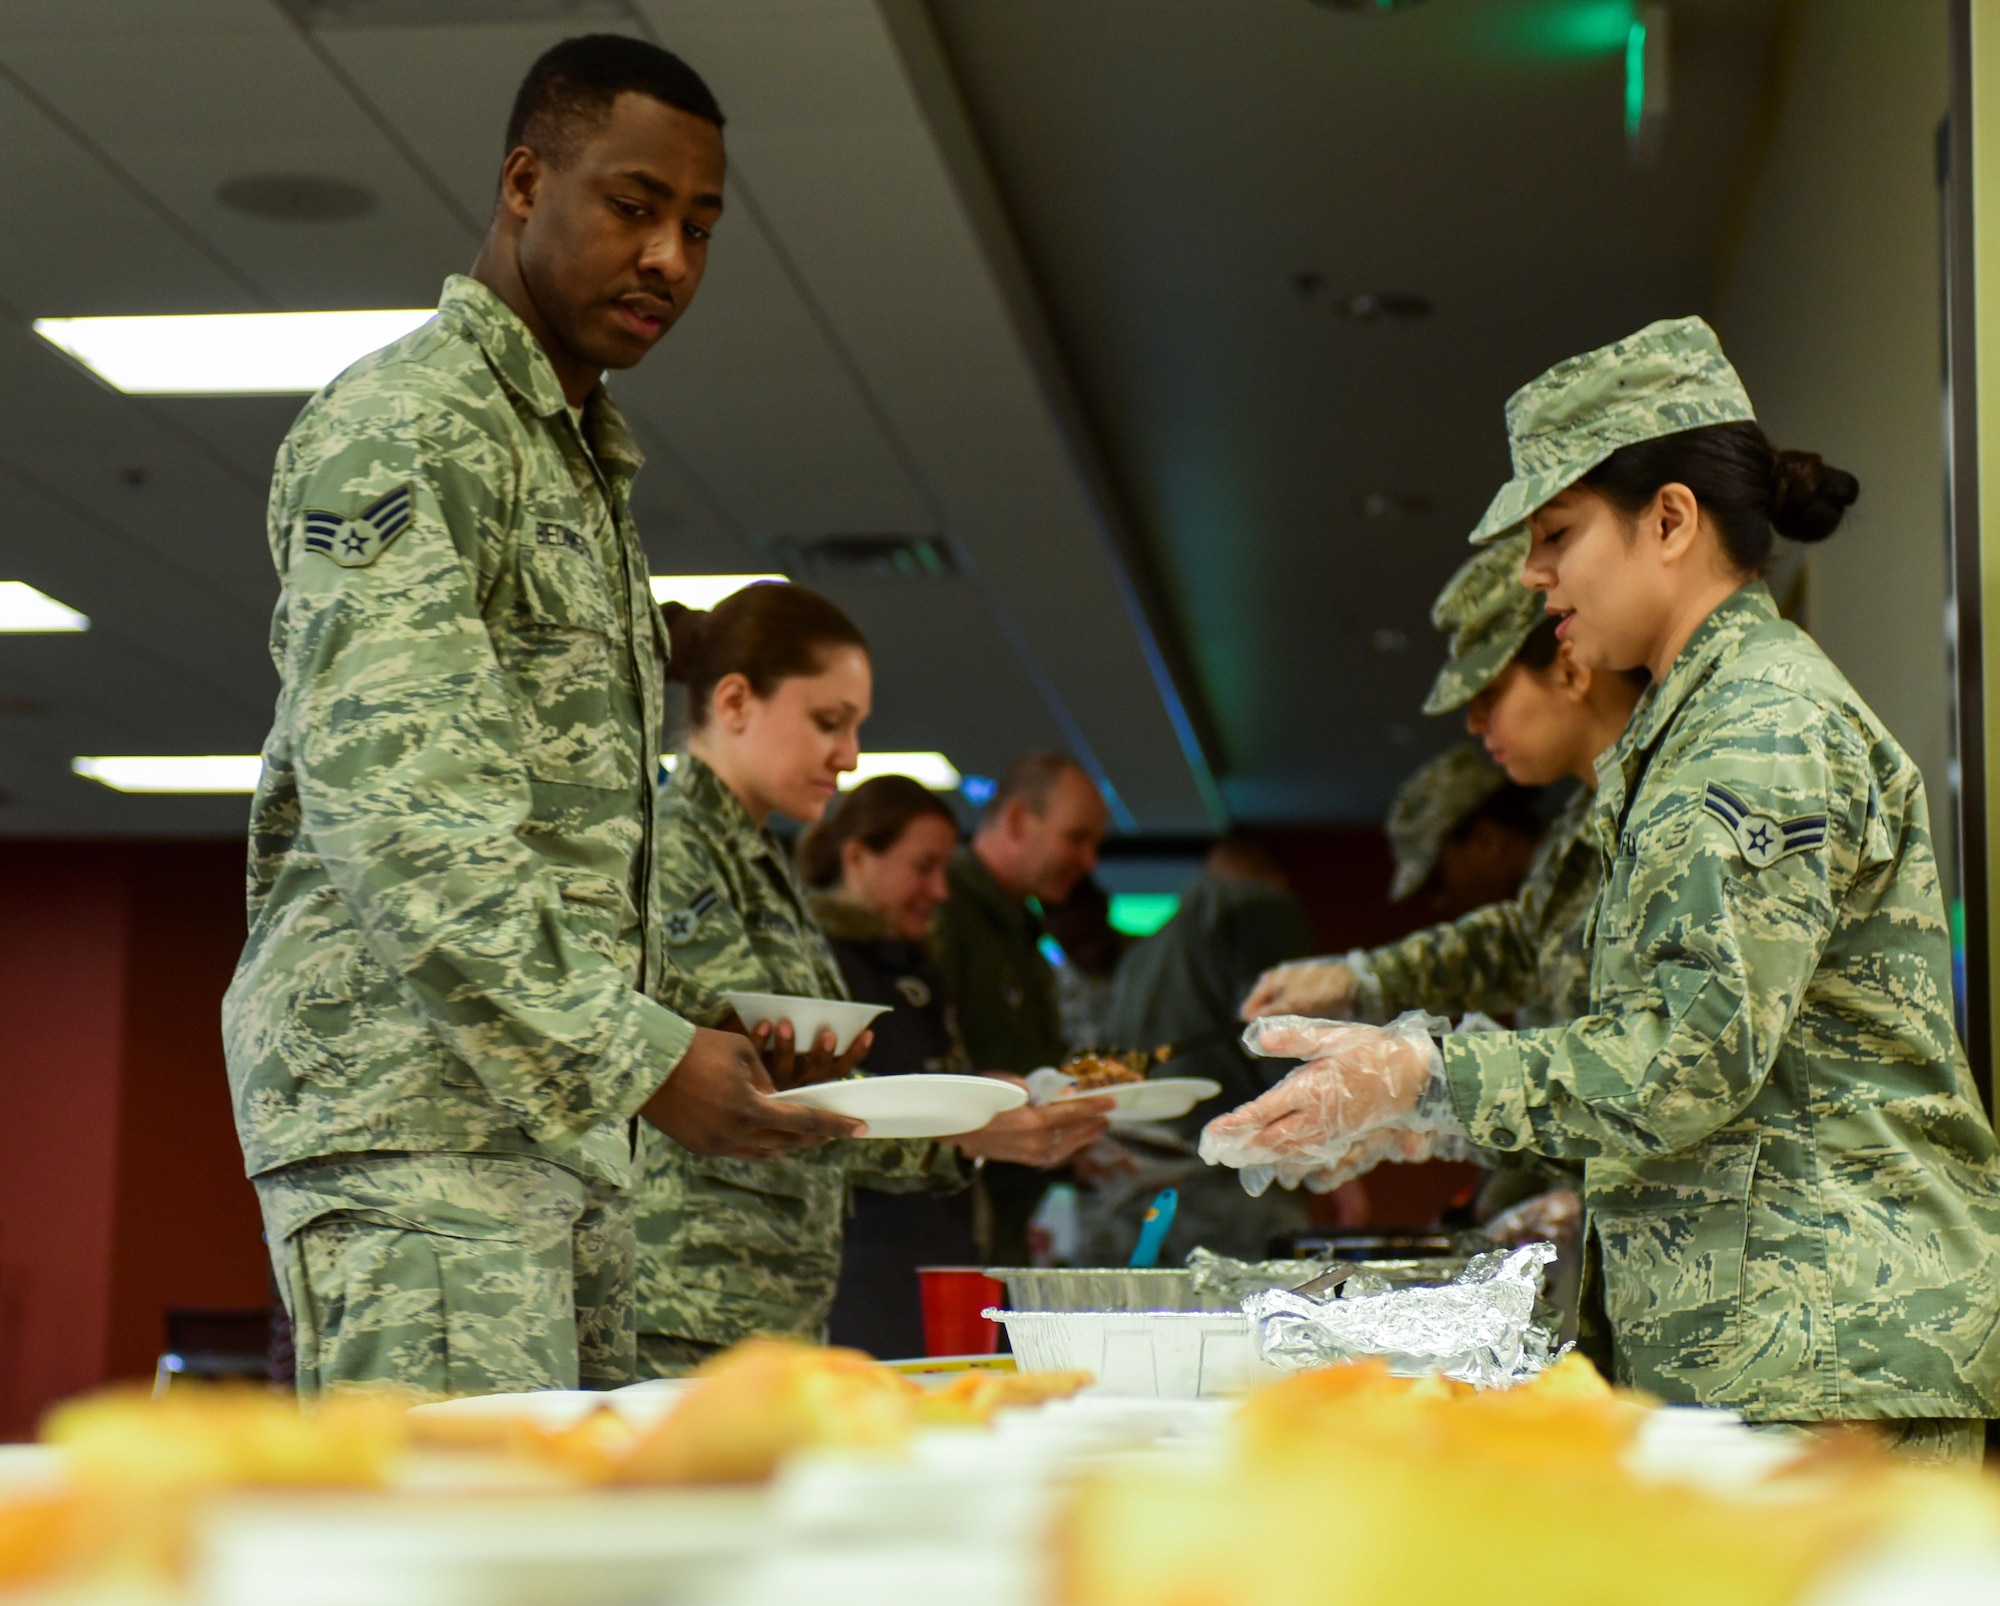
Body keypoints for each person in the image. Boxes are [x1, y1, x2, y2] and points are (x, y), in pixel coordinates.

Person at [1205, 317, 2000, 1461]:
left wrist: (1423, 1077)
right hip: (1778, 1339)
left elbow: (1687, 1054)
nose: (1535, 577)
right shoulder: (1693, 728)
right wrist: (1418, 1105)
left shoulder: (1756, 728)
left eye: (1557, 534)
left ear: (1668, 520)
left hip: (1830, 1341)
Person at [221, 36, 851, 1399]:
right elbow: (401, 811)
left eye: (699, 226)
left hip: (550, 1128)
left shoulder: (576, 464)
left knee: (563, 1550)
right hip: (417, 1128)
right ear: (524, 183)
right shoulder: (409, 427)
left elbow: (571, 856)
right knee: (457, 1550)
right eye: (634, 205)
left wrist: (686, 1044)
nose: (671, 258)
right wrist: (637, 1053)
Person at [635, 586, 1105, 1373]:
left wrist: (970, 1121)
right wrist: (961, 1123)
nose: (850, 755)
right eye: (829, 722)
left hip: (757, 1300)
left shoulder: (758, 862)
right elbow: (763, 1094)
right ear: (736, 701)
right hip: (693, 1295)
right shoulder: (679, 850)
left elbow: (809, 1092)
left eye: (855, 727)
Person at [1241, 533, 1644, 1032]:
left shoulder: (1678, 799)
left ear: (1569, 671)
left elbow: (1666, 1061)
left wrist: (1447, 1077)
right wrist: (1357, 979)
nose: (1474, 724)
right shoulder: (1588, 818)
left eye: (1489, 695)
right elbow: (1522, 945)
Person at [799, 776, 1112, 1357]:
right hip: (861, 1264)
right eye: (924, 867)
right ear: (857, 856)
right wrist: (969, 1127)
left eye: (946, 869)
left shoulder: (918, 967)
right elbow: (811, 1119)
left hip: (947, 1246)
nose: (940, 891)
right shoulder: (811, 966)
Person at [1082, 837, 1318, 1263]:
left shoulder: (1143, 953)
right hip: (1231, 1194)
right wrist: (1328, 1147)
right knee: (1248, 1326)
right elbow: (1282, 1035)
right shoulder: (1258, 905)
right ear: (1276, 880)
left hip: (1138, 1193)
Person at [936, 753, 1112, 1262]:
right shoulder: (942, 911)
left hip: (1000, 1219)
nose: (1089, 861)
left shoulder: (1021, 931)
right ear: (1016, 820)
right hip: (946, 1218)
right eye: (1076, 838)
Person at [1385, 744, 1545, 922]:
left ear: (1486, 839)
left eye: (1439, 882)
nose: (1440, 903)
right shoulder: (1543, 914)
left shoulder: (1576, 906)